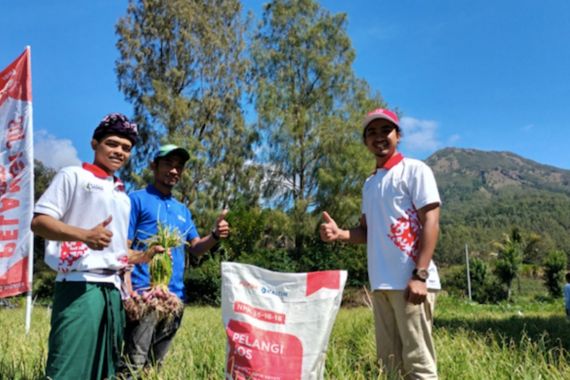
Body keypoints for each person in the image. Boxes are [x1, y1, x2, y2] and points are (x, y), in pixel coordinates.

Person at [31, 113, 161, 379]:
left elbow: (117, 253)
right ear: (94, 143)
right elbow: (39, 222)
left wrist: (145, 256)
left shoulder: (122, 194)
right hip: (79, 284)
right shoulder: (73, 176)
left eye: (126, 148)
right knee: (67, 366)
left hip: (112, 291)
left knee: (105, 369)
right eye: (112, 143)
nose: (119, 151)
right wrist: (84, 235)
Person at [320, 108, 441, 379]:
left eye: (386, 130)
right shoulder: (370, 184)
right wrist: (339, 234)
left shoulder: (415, 170)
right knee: (389, 366)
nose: (379, 137)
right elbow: (367, 232)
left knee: (418, 365)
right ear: (365, 141)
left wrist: (419, 275)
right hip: (382, 284)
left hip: (411, 283)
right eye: (371, 132)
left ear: (398, 135)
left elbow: (432, 222)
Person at [119, 144, 229, 377]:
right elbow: (122, 250)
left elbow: (197, 248)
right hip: (144, 296)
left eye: (179, 167)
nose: (174, 171)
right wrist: (129, 292)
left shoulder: (182, 210)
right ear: (154, 165)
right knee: (132, 364)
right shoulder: (136, 200)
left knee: (155, 367)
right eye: (168, 164)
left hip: (173, 299)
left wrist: (216, 235)